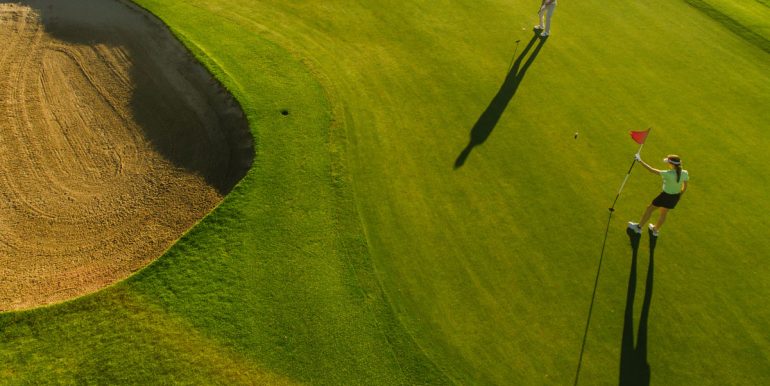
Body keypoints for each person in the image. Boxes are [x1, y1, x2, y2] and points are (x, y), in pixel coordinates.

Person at [628, 154, 689, 237]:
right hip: (675, 197)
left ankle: (638, 227)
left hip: (665, 196)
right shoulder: (684, 173)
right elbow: (685, 186)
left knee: (649, 209)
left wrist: (639, 160)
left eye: (668, 162)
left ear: (672, 164)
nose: (668, 164)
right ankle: (655, 230)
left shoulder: (668, 173)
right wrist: (680, 195)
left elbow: (651, 170)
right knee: (663, 213)